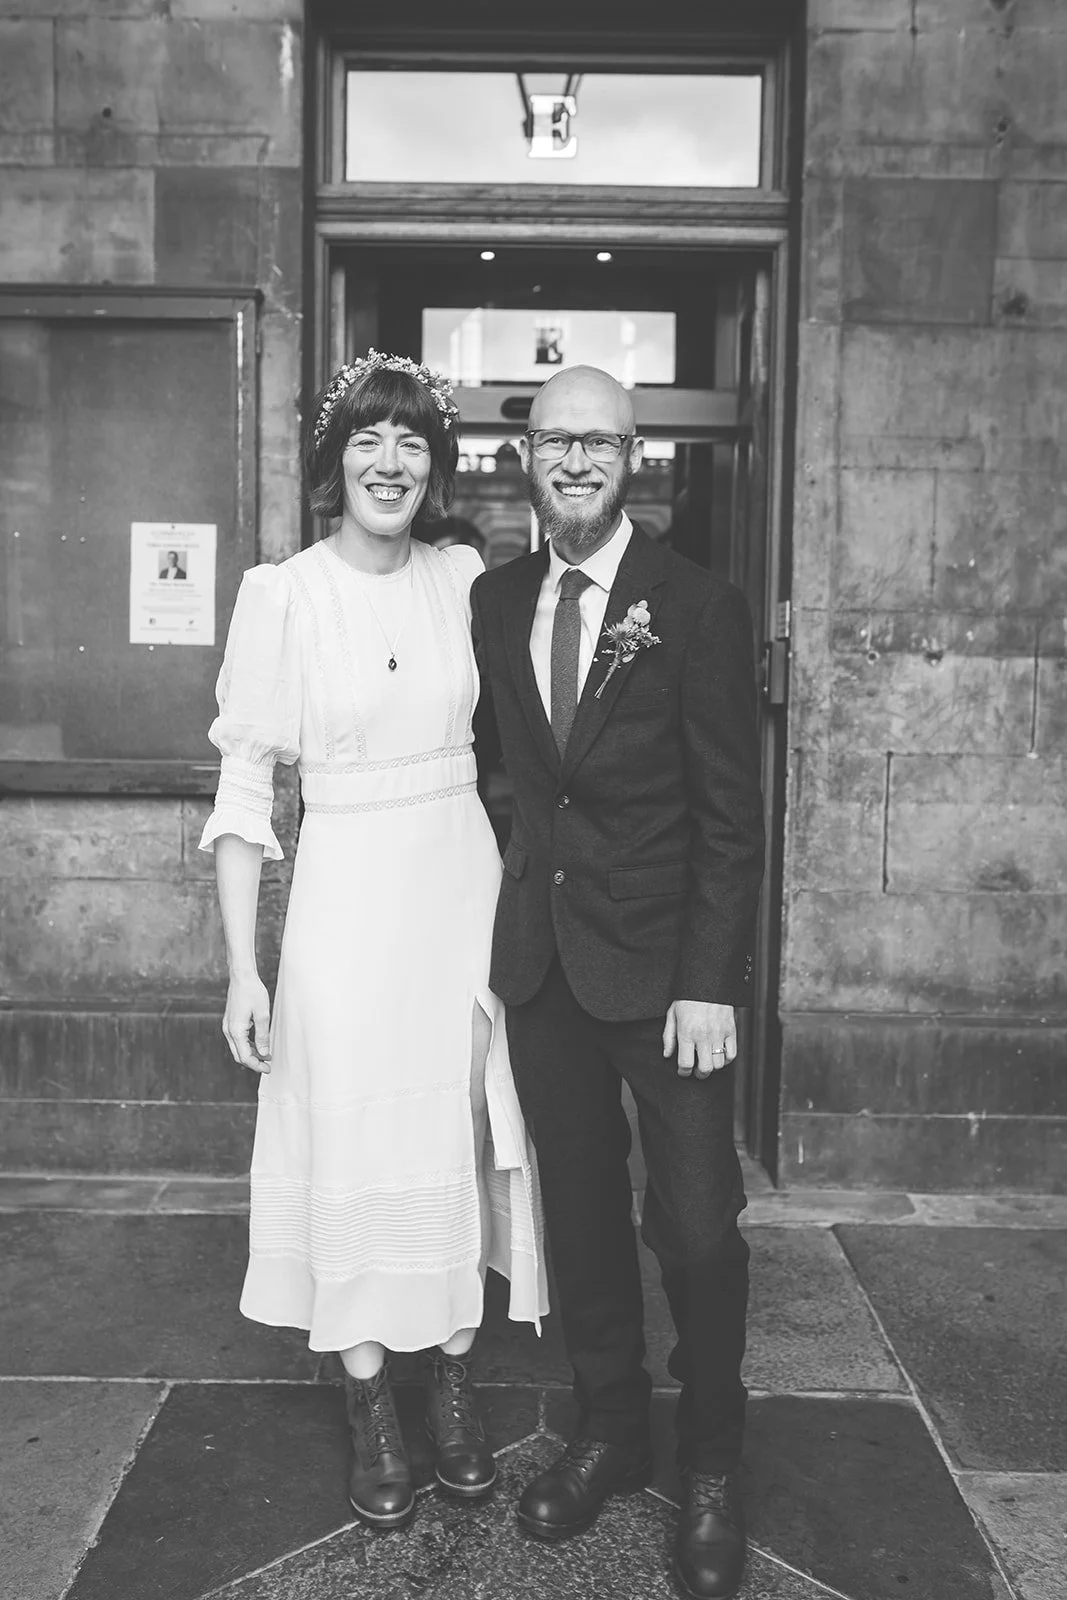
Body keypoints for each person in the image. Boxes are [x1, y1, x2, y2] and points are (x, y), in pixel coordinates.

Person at [199, 350, 547, 1532]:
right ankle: (369, 1401)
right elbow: (245, 791)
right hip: (344, 898)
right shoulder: (282, 595)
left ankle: (450, 1379)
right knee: (351, 1127)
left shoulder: (463, 575)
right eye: (366, 438)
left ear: (435, 464)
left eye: (410, 441)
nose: (389, 462)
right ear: (332, 461)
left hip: (458, 887)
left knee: (453, 1120)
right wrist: (243, 969)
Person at [470, 366, 764, 1600]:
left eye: (598, 440)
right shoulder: (493, 600)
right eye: (555, 440)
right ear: (525, 458)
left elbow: (731, 817)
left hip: (666, 982)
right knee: (581, 1215)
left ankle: (711, 1459)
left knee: (694, 1229)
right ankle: (609, 1428)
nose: (576, 459)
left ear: (633, 455)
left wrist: (710, 981)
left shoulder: (696, 605)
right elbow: (497, 771)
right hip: (544, 969)